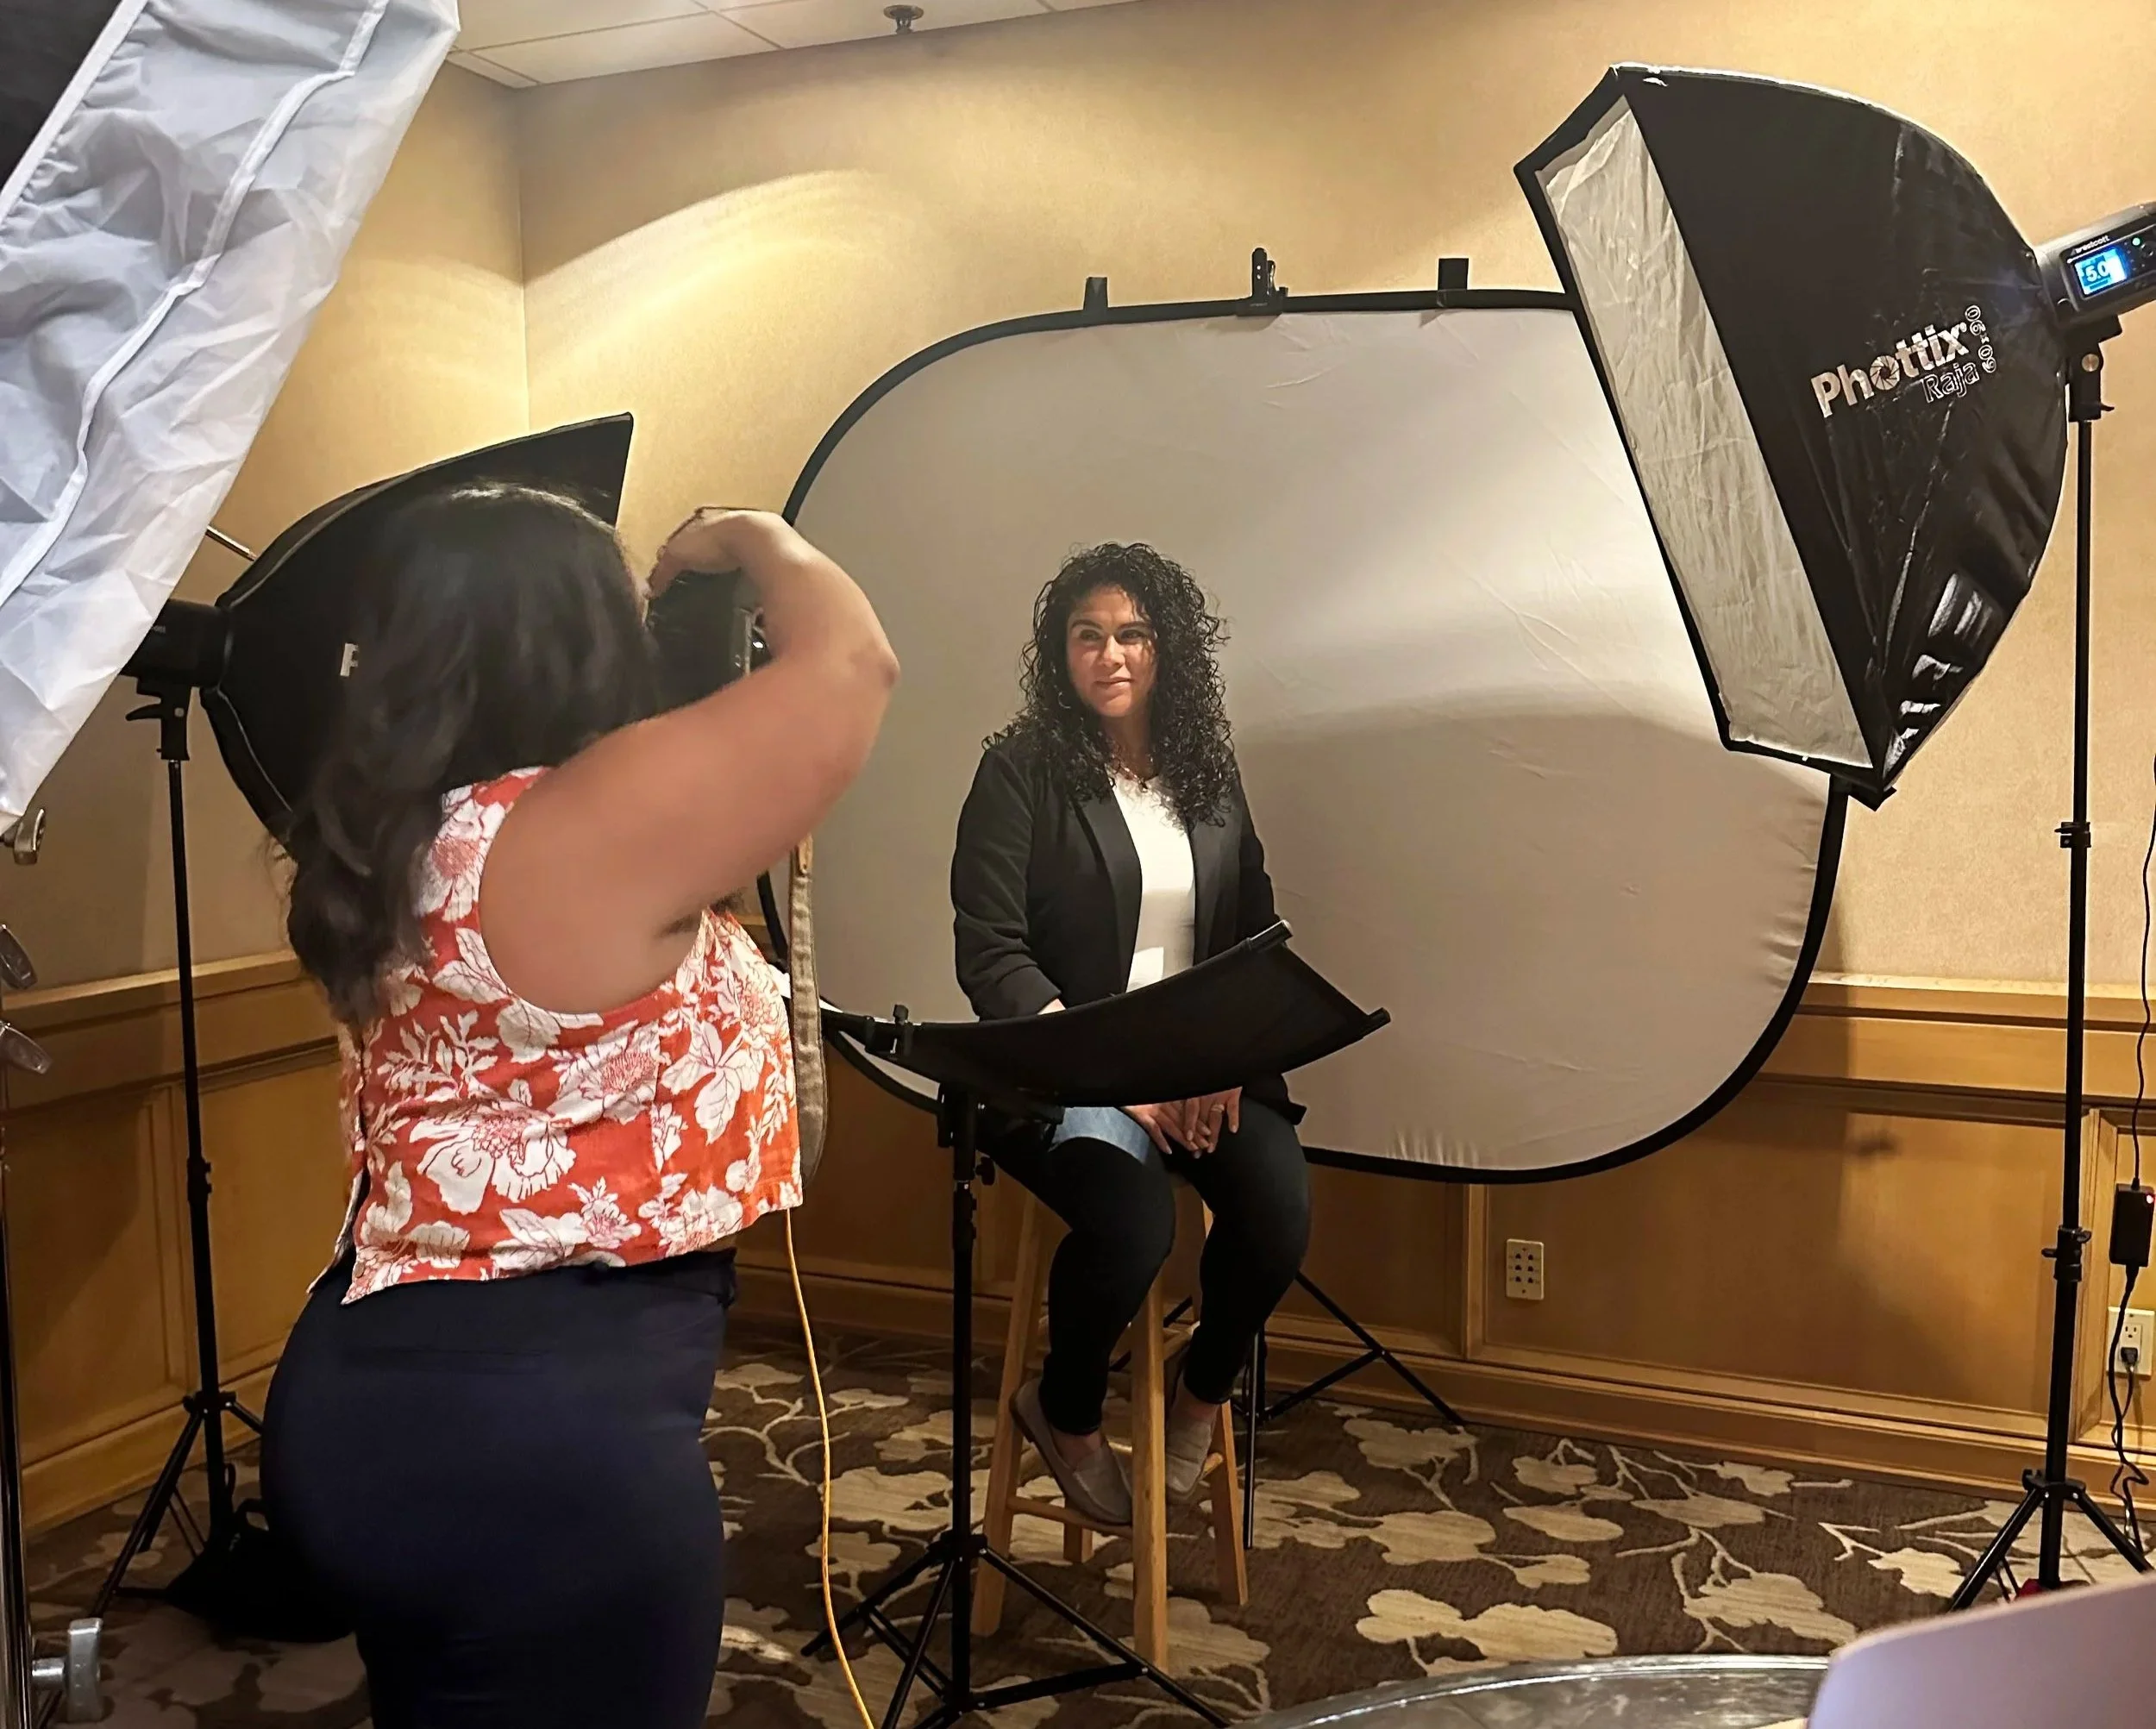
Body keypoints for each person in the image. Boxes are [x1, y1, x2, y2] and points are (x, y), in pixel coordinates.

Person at [260, 487, 897, 1729]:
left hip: (381, 1393)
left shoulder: (401, 835)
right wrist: (749, 535)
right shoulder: (575, 827)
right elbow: (854, 664)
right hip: (538, 1443)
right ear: (587, 636)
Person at [950, 542, 1310, 1530]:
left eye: (1133, 634)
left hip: (1202, 1065)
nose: (1110, 655)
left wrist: (1229, 1056)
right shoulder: (1019, 769)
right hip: (1067, 1068)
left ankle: (1199, 1395)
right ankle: (1062, 1411)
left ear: (1167, 650)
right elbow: (990, 953)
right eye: (1087, 636)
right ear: (1058, 654)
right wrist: (1111, 1078)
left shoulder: (1207, 768)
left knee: (1279, 1212)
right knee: (1134, 1226)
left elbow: (1252, 928)